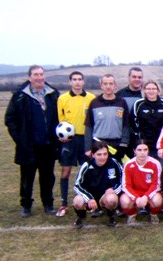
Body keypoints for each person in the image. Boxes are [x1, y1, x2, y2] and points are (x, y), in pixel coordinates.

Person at [5, 65, 60, 217]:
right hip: (28, 146)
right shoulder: (20, 96)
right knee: (27, 177)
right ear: (30, 77)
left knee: (48, 176)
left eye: (41, 74)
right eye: (36, 74)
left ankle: (48, 204)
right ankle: (26, 205)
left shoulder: (53, 94)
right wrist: (20, 139)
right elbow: (10, 119)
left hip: (48, 145)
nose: (39, 77)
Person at [55, 71, 96, 217]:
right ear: (70, 82)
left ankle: (88, 201)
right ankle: (64, 204)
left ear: (83, 81)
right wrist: (62, 136)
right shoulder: (62, 98)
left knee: (87, 171)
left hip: (86, 140)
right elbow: (61, 121)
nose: (77, 82)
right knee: (65, 172)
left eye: (80, 79)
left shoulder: (91, 98)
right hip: (69, 141)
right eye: (74, 80)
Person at [72, 141, 122, 228]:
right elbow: (77, 185)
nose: (102, 157)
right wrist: (89, 198)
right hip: (90, 196)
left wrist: (113, 190)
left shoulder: (113, 163)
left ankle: (111, 216)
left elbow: (123, 180)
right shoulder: (86, 165)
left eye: (105, 154)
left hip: (104, 196)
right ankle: (81, 216)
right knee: (77, 201)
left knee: (112, 199)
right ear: (93, 154)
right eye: (99, 154)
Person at [84, 74, 130, 163]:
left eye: (111, 83)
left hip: (116, 145)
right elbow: (89, 127)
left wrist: (123, 144)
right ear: (101, 85)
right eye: (105, 84)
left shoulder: (122, 102)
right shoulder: (94, 103)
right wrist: (87, 148)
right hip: (98, 144)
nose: (108, 86)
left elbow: (126, 125)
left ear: (115, 85)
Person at [120, 141, 163, 225]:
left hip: (149, 192)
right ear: (134, 151)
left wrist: (146, 196)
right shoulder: (128, 165)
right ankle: (132, 214)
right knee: (124, 201)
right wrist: (136, 198)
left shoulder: (155, 164)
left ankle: (153, 214)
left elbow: (156, 184)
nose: (142, 153)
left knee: (158, 200)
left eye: (145, 150)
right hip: (135, 192)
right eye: (139, 150)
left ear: (148, 150)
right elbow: (126, 186)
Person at [131, 80, 163, 165]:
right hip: (144, 146)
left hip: (161, 147)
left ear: (158, 90)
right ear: (144, 90)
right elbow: (133, 123)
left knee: (160, 171)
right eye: (148, 89)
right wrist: (139, 142)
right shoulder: (138, 104)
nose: (151, 91)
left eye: (153, 89)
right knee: (144, 171)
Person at [116, 67, 144, 158]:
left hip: (142, 136)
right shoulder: (120, 95)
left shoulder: (146, 93)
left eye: (139, 77)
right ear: (129, 78)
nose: (137, 79)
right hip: (124, 136)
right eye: (134, 77)